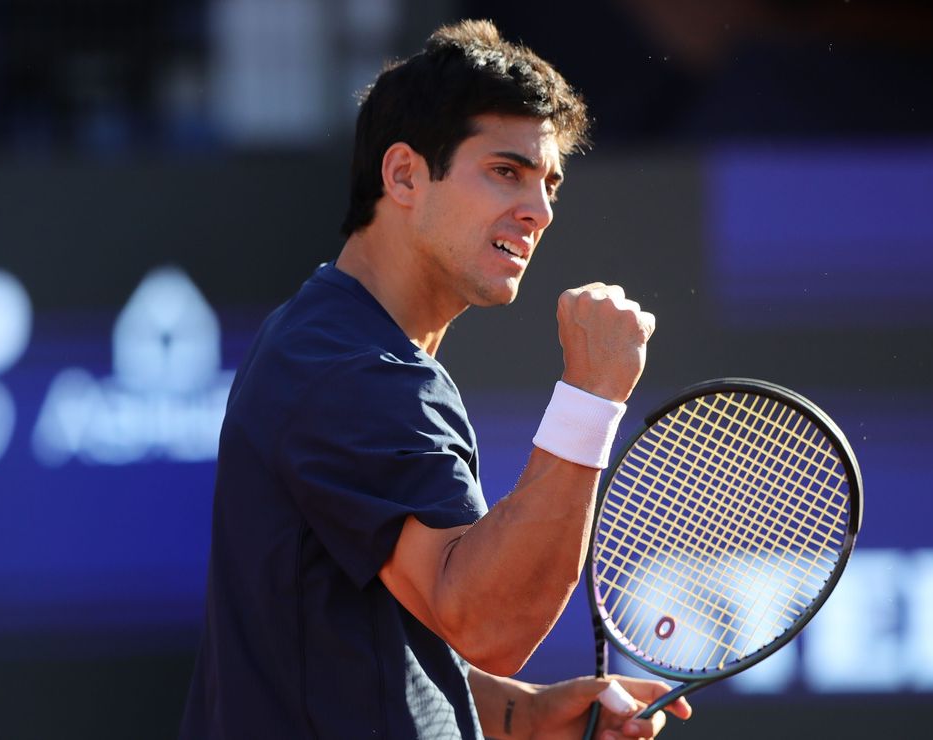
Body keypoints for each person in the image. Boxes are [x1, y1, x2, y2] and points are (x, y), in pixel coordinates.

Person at [180, 19, 693, 739]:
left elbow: (355, 651)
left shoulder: (329, 343)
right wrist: (591, 396)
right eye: (506, 171)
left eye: (550, 183)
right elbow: (486, 619)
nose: (540, 211)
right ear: (404, 176)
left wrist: (524, 714)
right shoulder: (352, 370)